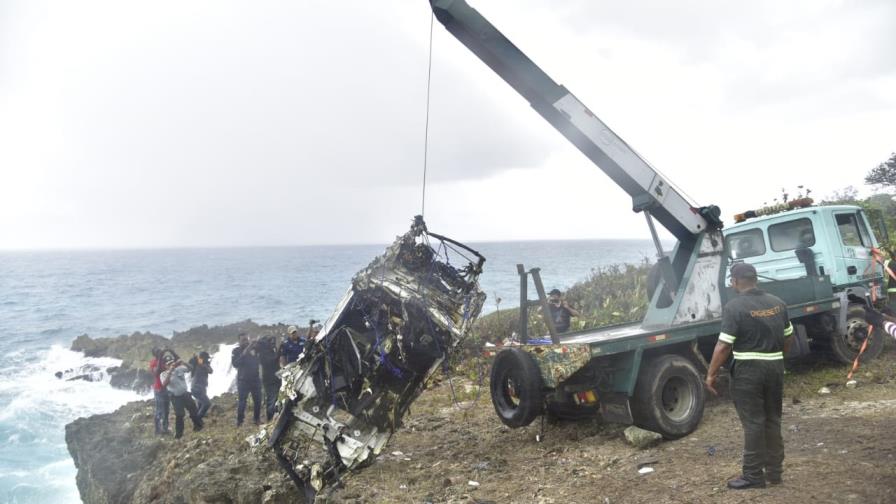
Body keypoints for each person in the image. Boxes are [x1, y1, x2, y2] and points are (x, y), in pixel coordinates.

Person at [705, 262, 794, 489]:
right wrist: (776, 359)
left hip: (748, 372)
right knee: (773, 419)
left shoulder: (734, 307)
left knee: (754, 422)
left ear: (734, 282)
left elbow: (724, 346)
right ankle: (774, 472)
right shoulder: (778, 303)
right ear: (756, 279)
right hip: (774, 368)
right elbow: (788, 337)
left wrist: (711, 374)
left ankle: (753, 476)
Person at [160, 355, 203, 439]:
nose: (171, 364)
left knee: (193, 409)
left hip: (185, 394)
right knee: (180, 415)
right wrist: (170, 371)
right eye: (169, 364)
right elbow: (164, 384)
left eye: (172, 362)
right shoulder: (163, 374)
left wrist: (183, 362)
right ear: (165, 365)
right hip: (175, 397)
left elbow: (191, 368)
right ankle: (179, 434)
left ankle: (198, 426)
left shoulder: (179, 368)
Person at [231, 333, 262, 426]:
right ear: (239, 341)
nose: (246, 341)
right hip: (243, 380)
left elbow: (262, 349)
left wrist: (258, 341)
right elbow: (235, 364)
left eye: (247, 339)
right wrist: (247, 349)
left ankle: (256, 419)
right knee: (242, 402)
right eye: (243, 340)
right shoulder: (236, 351)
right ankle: (239, 421)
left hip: (255, 379)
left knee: (258, 400)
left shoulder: (254, 349)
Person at [258, 335, 281, 421]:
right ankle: (270, 417)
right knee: (272, 399)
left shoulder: (270, 351)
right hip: (269, 380)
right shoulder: (263, 353)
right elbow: (272, 361)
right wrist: (278, 352)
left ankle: (271, 417)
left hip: (275, 378)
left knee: (274, 399)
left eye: (274, 342)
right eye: (271, 342)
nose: (273, 344)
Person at [149, 347, 170, 435]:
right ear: (155, 354)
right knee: (160, 411)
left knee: (166, 410)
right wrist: (160, 359)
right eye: (158, 351)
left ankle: (165, 429)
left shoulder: (163, 361)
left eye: (160, 351)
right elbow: (156, 372)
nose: (160, 352)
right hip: (158, 389)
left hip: (166, 388)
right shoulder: (153, 362)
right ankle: (157, 430)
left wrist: (170, 352)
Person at [189, 351, 213, 420]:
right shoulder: (195, 363)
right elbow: (191, 361)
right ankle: (197, 420)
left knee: (200, 404)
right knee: (207, 403)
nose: (208, 359)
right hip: (197, 387)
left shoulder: (204, 364)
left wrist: (203, 364)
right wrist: (197, 359)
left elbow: (210, 371)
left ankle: (199, 421)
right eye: (206, 358)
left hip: (201, 387)